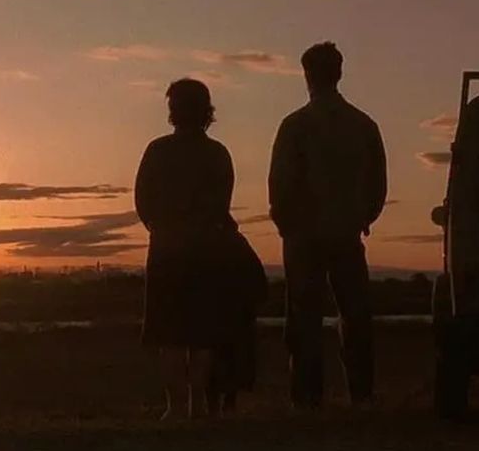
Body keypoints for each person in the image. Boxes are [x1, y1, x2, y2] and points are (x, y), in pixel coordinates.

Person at [268, 42, 387, 408]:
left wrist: (286, 223)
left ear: (308, 75)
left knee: (304, 317)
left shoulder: (295, 125)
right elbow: (377, 184)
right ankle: (361, 392)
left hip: (304, 236)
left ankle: (307, 396)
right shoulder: (363, 125)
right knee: (355, 314)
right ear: (339, 73)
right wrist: (362, 217)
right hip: (346, 232)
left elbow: (280, 183)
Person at [135, 78, 260, 420]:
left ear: (173, 110)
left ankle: (175, 407)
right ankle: (198, 405)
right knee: (201, 334)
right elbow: (222, 203)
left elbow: (143, 201)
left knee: (169, 335)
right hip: (206, 251)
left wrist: (160, 227)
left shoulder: (158, 151)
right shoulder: (217, 154)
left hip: (167, 251)